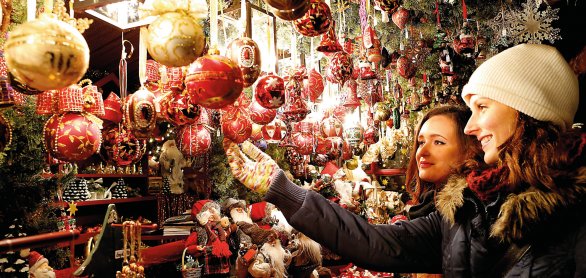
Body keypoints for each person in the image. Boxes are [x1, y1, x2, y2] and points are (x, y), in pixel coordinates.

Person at [224, 43, 585, 277]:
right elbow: (374, 243)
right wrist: (282, 188)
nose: (473, 125)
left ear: (527, 112)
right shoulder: (467, 207)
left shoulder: (575, 213)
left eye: (483, 108)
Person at [404, 105, 483, 220]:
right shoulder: (428, 203)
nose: (422, 152)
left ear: (470, 150)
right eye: (421, 142)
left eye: (438, 142)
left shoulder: (467, 209)